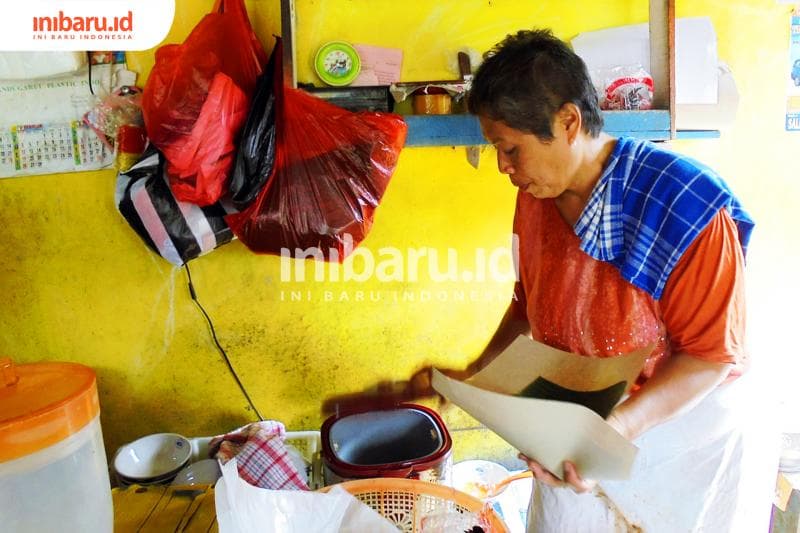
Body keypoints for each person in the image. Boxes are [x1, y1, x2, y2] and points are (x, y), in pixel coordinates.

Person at [412, 29, 775, 532]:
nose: (502, 167)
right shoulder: (536, 197)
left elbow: (709, 357)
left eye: (511, 149)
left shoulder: (683, 204)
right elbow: (527, 308)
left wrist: (615, 428)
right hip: (583, 417)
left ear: (567, 122)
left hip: (686, 431)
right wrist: (475, 377)